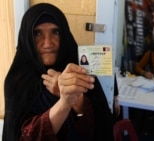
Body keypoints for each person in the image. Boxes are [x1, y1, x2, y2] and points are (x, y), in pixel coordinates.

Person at [3, 3, 114, 141]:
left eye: (55, 32)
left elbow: (101, 129)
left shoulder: (81, 72)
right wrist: (65, 102)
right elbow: (23, 137)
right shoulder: (17, 81)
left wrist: (76, 99)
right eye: (37, 33)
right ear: (27, 39)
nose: (48, 43)